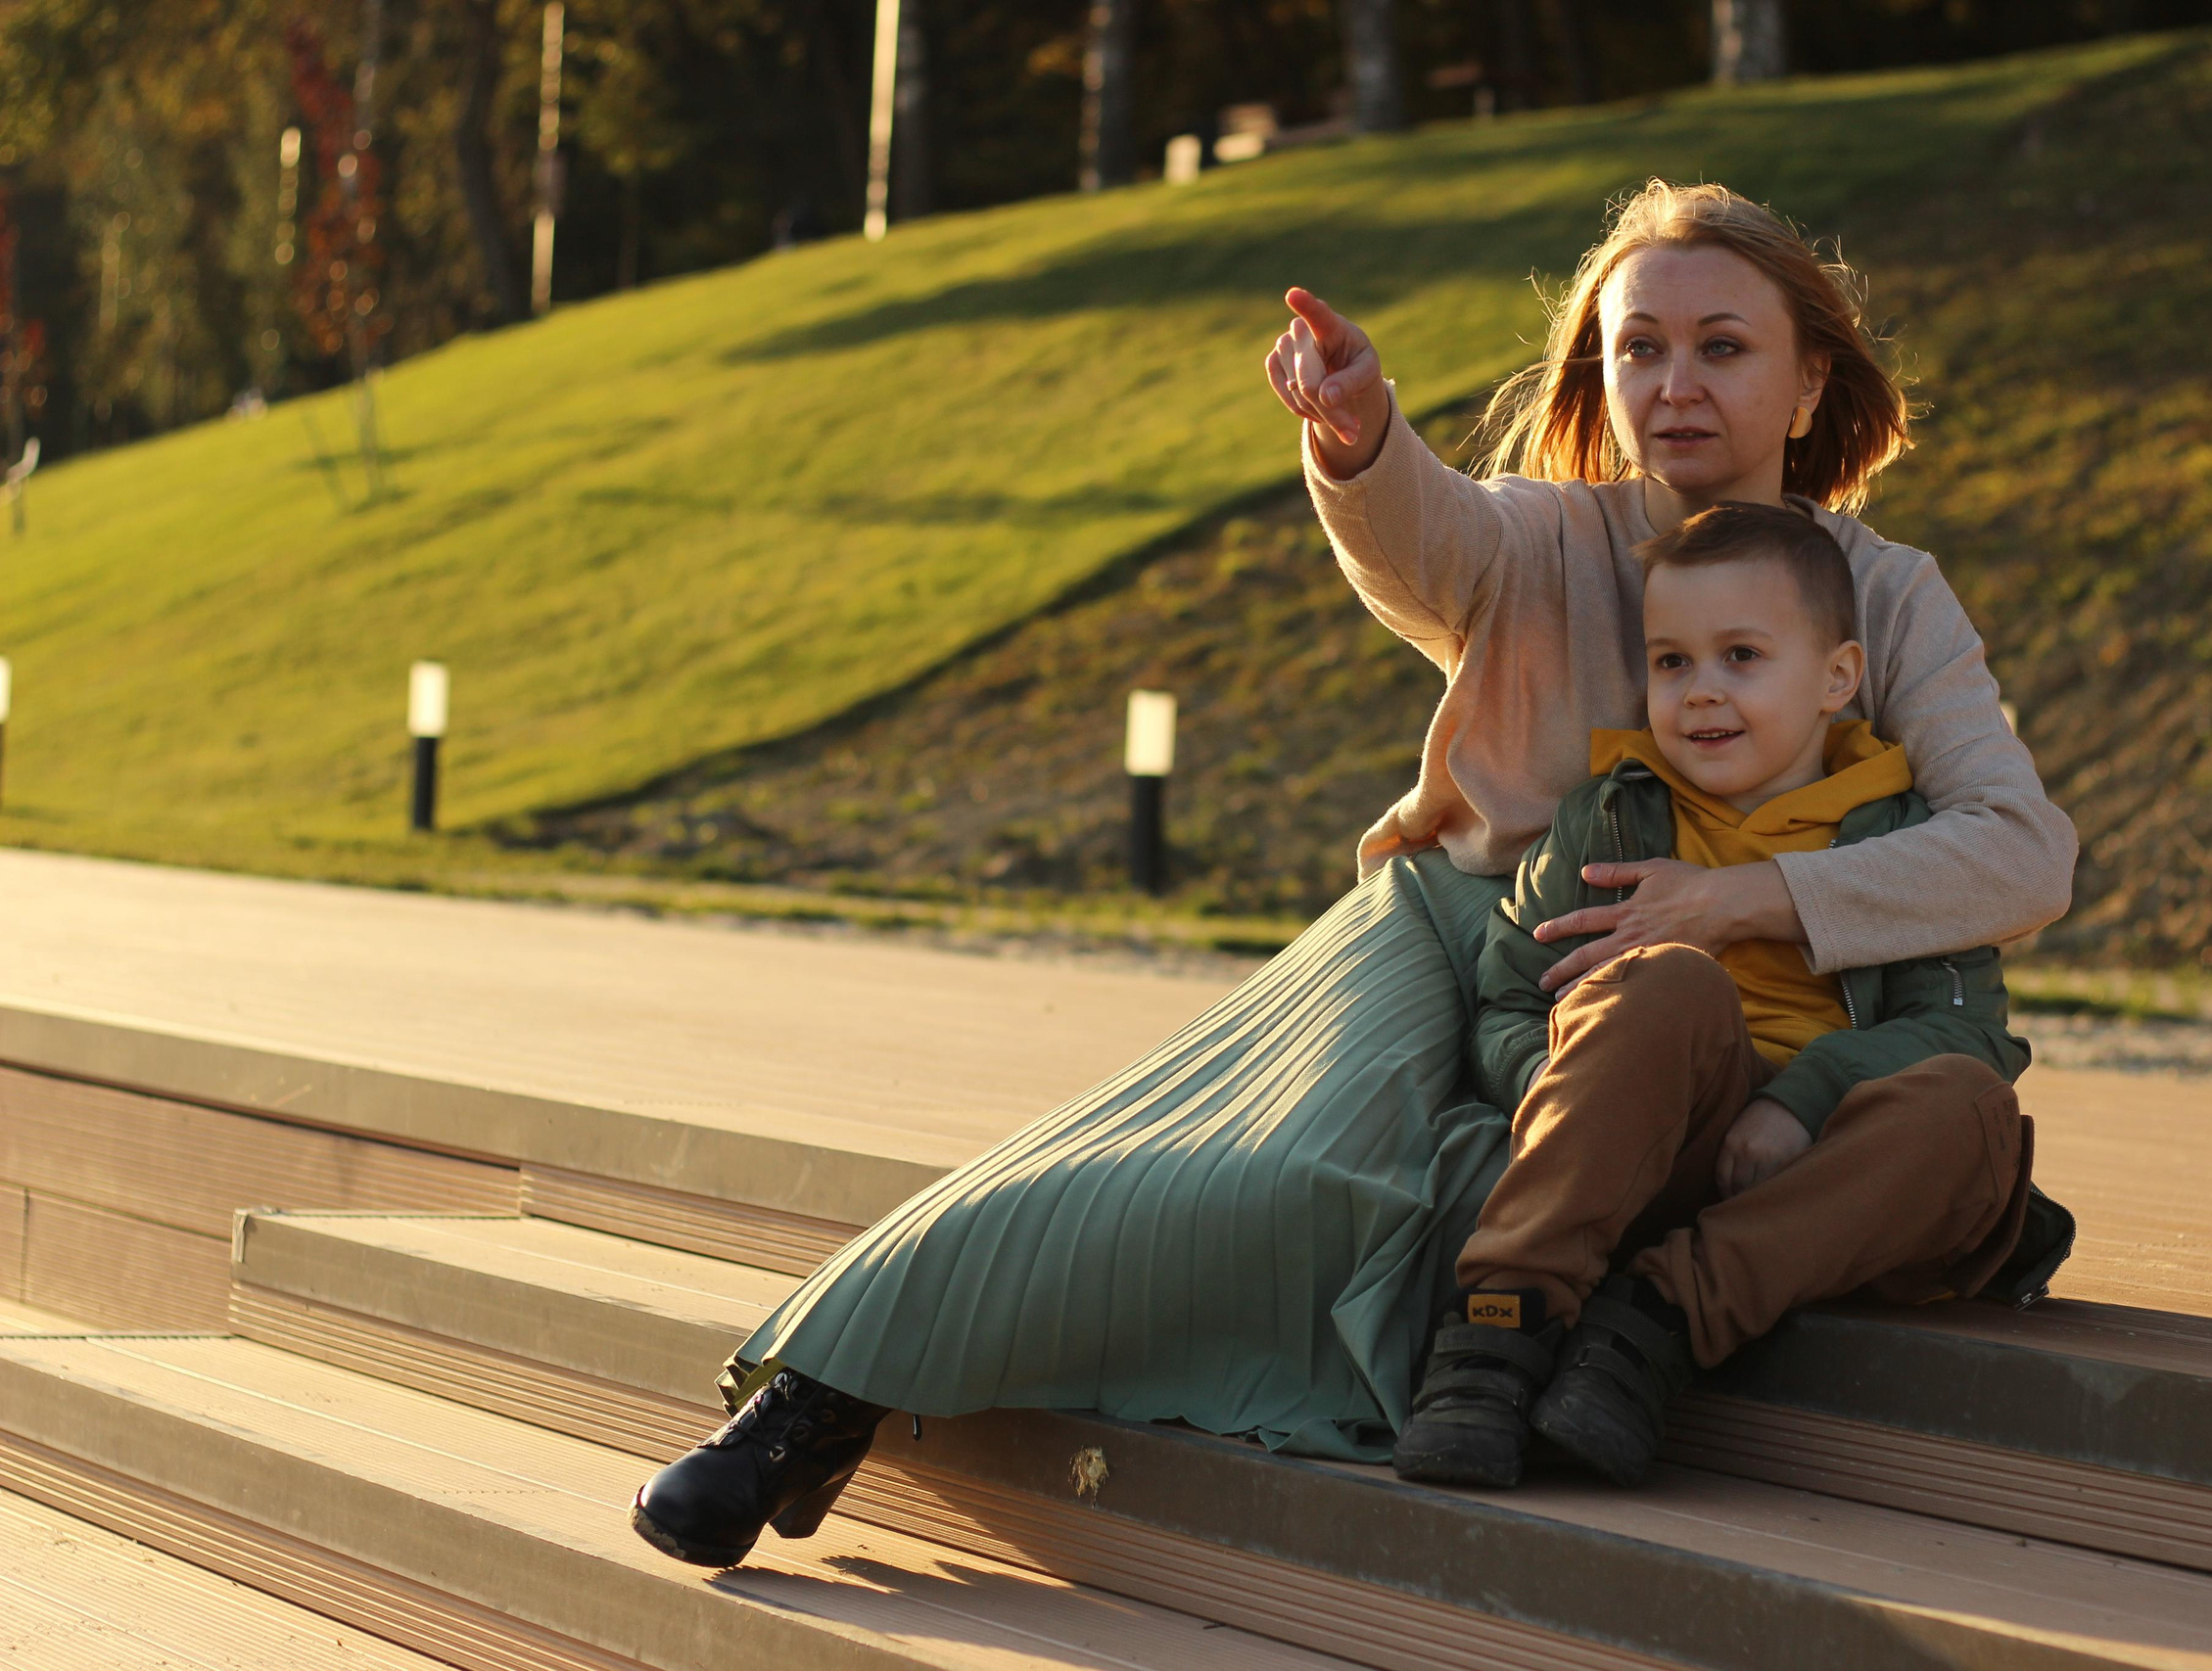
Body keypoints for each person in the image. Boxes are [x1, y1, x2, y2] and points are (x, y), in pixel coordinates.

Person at [629, 180, 2077, 1569]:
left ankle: (1538, 1338)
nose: (1674, 381)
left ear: (1810, 384)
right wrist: (1362, 436)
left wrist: (1747, 904)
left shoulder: (1884, 593)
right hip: (1466, 936)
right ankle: (813, 1397)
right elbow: (1425, 534)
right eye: (1638, 346)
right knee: (1232, 1159)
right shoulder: (1545, 532)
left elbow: (2020, 848)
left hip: (1688, 1005)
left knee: (1401, 1188)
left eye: (1722, 345)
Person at [1389, 500, 2050, 1492]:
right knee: (1666, 984)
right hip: (1657, 1141)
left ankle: (1657, 1322)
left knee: (1971, 1113)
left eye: (1742, 656)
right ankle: (1500, 1328)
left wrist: (1802, 1099)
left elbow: (1966, 1034)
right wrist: (1574, 1091)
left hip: (1830, 1178)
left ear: (1837, 679)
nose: (1700, 693)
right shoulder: (1609, 821)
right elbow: (1510, 1004)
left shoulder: (1898, 837)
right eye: (1671, 662)